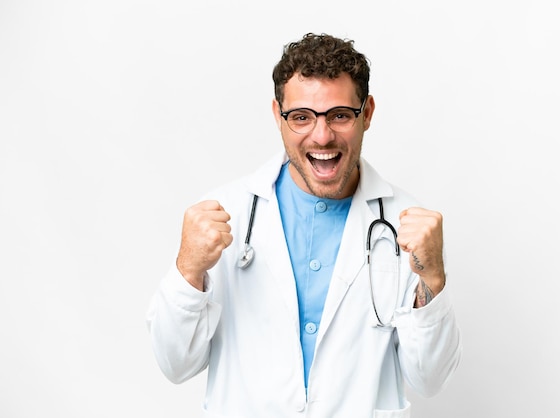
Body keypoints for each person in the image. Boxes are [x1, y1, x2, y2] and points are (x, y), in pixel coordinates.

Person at [146, 32, 461, 417]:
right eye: (301, 117)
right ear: (278, 116)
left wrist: (434, 280)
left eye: (340, 115)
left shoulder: (406, 224)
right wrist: (188, 269)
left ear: (368, 113)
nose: (322, 135)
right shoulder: (225, 214)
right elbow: (175, 365)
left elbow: (430, 379)